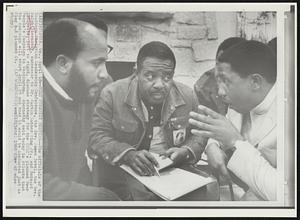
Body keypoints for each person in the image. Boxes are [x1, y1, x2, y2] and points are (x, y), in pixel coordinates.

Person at [88, 41, 207, 200]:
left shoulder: (187, 96)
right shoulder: (112, 94)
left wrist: (186, 151)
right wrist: (128, 154)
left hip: (171, 173)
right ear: (136, 72)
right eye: (150, 76)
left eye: (167, 77)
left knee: (204, 194)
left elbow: (200, 133)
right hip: (123, 170)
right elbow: (96, 136)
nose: (159, 84)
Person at [189, 40, 277, 201]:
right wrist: (212, 146)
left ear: (255, 82)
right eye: (219, 81)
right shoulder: (239, 104)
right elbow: (223, 130)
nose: (220, 92)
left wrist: (236, 143)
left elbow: (285, 193)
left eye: (226, 82)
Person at [43, 18, 119, 200]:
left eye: (105, 62)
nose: (105, 74)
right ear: (63, 64)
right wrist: (97, 198)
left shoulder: (83, 88)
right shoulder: (27, 99)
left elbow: (78, 164)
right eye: (95, 63)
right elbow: (27, 184)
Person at [194, 37, 246, 116]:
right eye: (218, 64)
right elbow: (202, 123)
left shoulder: (253, 83)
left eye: (229, 67)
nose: (221, 72)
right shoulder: (203, 86)